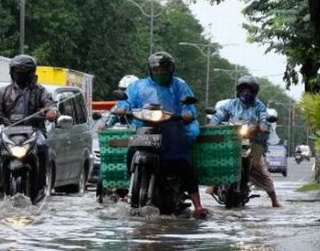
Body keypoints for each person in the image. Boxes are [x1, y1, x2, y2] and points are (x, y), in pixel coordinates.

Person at [113, 52, 209, 217]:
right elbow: (126, 101)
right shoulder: (138, 86)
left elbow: (188, 105)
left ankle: (198, 205)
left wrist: (187, 113)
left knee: (184, 165)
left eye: (163, 69)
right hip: (144, 128)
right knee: (130, 151)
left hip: (172, 132)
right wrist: (122, 108)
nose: (160, 72)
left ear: (171, 69)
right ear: (150, 70)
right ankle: (125, 191)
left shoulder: (179, 85)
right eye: (156, 69)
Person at [0, 54, 58, 198]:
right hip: (9, 131)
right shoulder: (4, 91)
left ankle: (41, 186)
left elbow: (50, 105)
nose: (20, 75)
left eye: (24, 73)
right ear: (12, 73)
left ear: (32, 73)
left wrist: (51, 112)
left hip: (34, 131)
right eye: (18, 72)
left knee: (43, 147)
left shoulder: (40, 91)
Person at [208, 74, 281, 207]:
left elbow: (264, 117)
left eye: (249, 91)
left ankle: (274, 200)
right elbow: (219, 114)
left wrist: (262, 126)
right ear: (239, 91)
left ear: (254, 93)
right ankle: (213, 185)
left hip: (254, 141)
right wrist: (213, 123)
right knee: (220, 159)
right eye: (243, 90)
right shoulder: (231, 104)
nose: (246, 93)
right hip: (233, 139)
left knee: (261, 169)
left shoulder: (259, 106)